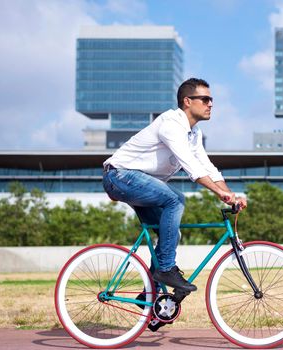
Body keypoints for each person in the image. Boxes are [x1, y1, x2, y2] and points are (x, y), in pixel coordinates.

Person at [102, 78, 247, 294]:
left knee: (170, 233)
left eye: (212, 100)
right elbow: (192, 167)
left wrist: (229, 194)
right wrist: (219, 193)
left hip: (138, 181)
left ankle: (152, 296)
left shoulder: (193, 134)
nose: (211, 104)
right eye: (205, 99)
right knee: (175, 199)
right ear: (187, 101)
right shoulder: (171, 124)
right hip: (120, 176)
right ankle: (167, 269)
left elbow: (207, 167)